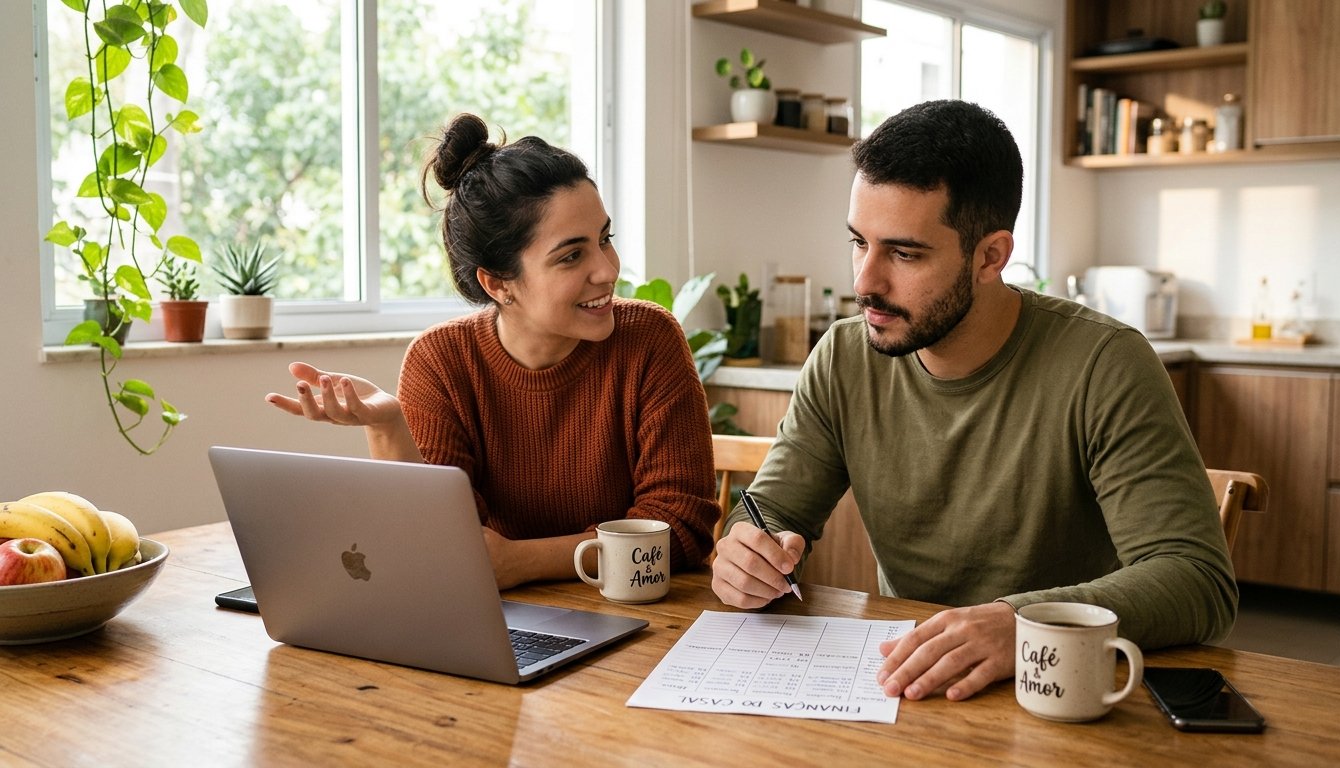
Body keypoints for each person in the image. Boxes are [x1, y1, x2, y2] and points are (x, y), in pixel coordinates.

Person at [710, 100, 1236, 702]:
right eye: (859, 243)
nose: (864, 283)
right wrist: (747, 555)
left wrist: (1020, 624)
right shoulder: (843, 357)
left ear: (991, 256)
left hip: (1062, 693)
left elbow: (1197, 581)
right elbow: (769, 514)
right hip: (908, 688)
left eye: (904, 253)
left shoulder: (1104, 363)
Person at [267, 113, 718, 589]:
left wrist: (522, 562)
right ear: (498, 282)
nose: (607, 270)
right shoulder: (440, 361)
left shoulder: (649, 338)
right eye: (571, 255)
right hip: (497, 622)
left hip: (633, 620)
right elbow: (443, 543)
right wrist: (388, 427)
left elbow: (680, 528)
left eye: (604, 239)